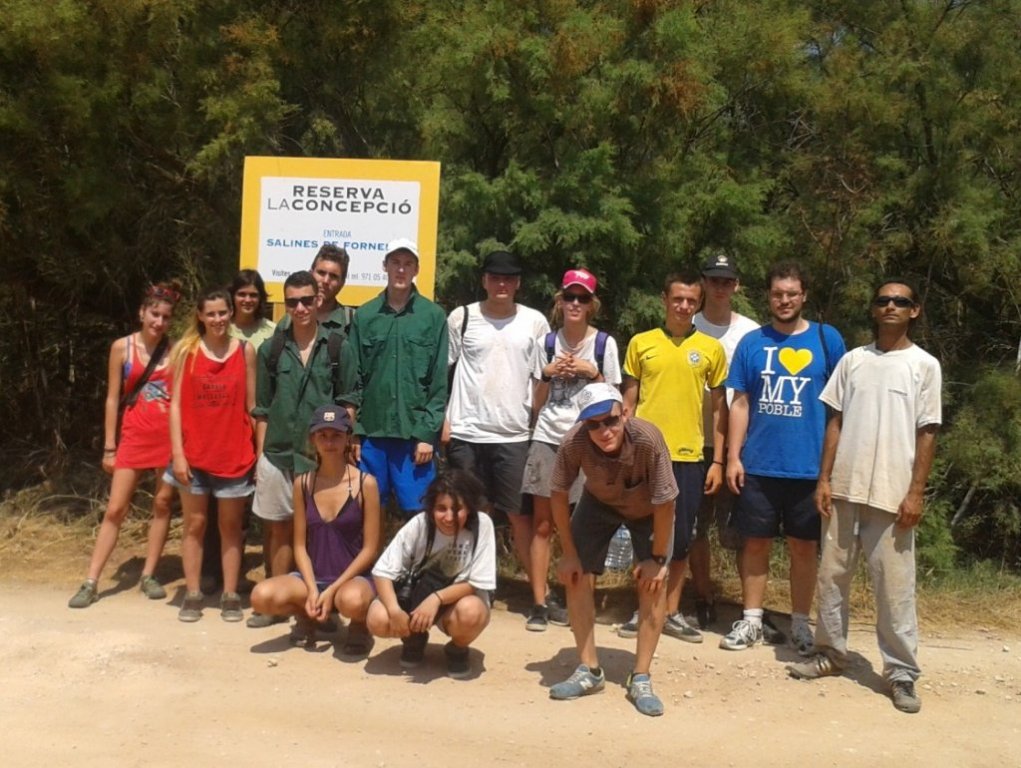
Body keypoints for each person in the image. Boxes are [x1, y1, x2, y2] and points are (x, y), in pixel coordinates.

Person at [787, 279, 941, 716]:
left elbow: (928, 430)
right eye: (883, 300)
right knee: (831, 576)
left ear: (915, 310)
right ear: (873, 309)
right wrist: (823, 480)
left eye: (901, 301)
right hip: (844, 486)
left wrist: (915, 492)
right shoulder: (853, 361)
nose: (891, 306)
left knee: (894, 585)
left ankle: (901, 673)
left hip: (894, 494)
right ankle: (831, 653)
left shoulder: (924, 365)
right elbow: (834, 421)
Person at [721, 262, 846, 653]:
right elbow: (739, 403)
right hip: (758, 464)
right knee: (754, 544)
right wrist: (732, 458)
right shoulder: (752, 343)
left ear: (804, 295)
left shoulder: (828, 340)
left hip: (809, 468)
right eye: (778, 293)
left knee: (803, 549)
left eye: (792, 293)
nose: (785, 300)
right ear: (768, 296)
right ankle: (752, 620)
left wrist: (832, 468)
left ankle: (799, 624)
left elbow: (841, 409)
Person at [548, 383, 677, 717]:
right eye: (594, 424)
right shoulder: (573, 442)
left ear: (625, 413)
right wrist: (569, 552)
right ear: (583, 425)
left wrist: (658, 559)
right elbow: (559, 494)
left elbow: (665, 503)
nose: (604, 431)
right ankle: (589, 670)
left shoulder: (648, 439)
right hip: (598, 501)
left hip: (649, 507)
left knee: (653, 582)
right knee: (575, 574)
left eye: (611, 421)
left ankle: (641, 676)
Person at [617, 272, 727, 643]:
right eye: (677, 299)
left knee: (681, 539)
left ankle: (672, 612)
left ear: (698, 304)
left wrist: (719, 461)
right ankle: (644, 610)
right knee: (643, 536)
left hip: (689, 455)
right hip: (644, 453)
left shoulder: (711, 349)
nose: (683, 306)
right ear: (664, 299)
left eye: (690, 301)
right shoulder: (640, 343)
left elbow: (718, 411)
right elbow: (628, 403)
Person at [443, 250, 551, 628]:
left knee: (520, 517)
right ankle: (472, 587)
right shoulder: (462, 317)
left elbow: (543, 379)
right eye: (494, 277)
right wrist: (445, 420)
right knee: (470, 514)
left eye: (509, 278)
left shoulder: (535, 322)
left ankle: (540, 598)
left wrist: (536, 421)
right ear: (484, 280)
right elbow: (447, 370)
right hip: (467, 430)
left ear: (518, 283)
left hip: (514, 433)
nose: (501, 284)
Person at [247, 270, 360, 629]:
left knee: (318, 532)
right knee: (278, 530)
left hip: (318, 458)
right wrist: (260, 455)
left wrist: (341, 451)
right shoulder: (272, 347)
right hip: (278, 452)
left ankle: (322, 607)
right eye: (292, 301)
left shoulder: (339, 345)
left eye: (306, 300)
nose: (300, 308)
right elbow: (262, 407)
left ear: (318, 300)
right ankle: (279, 606)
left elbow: (349, 401)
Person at [69, 283, 182, 608]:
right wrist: (109, 445)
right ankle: (91, 581)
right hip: (133, 434)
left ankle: (149, 574)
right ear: (142, 313)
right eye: (154, 314)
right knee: (116, 508)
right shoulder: (123, 347)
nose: (159, 322)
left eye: (166, 317)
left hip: (165, 437)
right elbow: (112, 397)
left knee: (162, 505)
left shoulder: (176, 350)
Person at [521, 268, 622, 631]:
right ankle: (538, 603)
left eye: (582, 298)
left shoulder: (603, 345)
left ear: (592, 304)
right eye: (569, 297)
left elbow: (614, 401)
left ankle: (576, 597)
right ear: (559, 301)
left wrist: (590, 372)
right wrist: (548, 374)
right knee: (544, 524)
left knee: (583, 526)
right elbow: (535, 403)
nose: (574, 304)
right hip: (548, 438)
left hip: (588, 441)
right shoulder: (546, 343)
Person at [250, 404, 380, 655]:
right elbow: (299, 544)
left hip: (353, 579)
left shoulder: (367, 484)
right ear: (313, 439)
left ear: (347, 439)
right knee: (261, 596)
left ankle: (359, 625)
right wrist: (312, 588)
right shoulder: (304, 483)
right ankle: (307, 615)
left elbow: (371, 549)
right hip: (314, 575)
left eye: (336, 436)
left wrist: (332, 589)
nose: (329, 442)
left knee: (351, 601)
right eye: (323, 435)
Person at [166, 287, 257, 623]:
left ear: (231, 313)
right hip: (193, 454)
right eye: (212, 313)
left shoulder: (245, 351)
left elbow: (252, 406)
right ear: (200, 317)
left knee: (231, 526)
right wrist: (177, 453)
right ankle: (192, 593)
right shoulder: (185, 351)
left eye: (223, 312)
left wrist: (258, 453)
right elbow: (174, 405)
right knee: (195, 524)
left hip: (234, 454)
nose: (218, 319)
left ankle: (230, 594)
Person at [350, 239, 448, 518]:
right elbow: (353, 378)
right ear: (385, 266)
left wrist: (427, 434)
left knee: (419, 513)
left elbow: (438, 381)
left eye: (407, 264)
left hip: (414, 435)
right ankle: (372, 564)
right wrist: (355, 431)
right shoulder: (365, 315)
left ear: (416, 269)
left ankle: (418, 563)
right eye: (395, 263)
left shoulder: (433, 316)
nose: (401, 270)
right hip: (371, 434)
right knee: (368, 511)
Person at [367, 469, 496, 679]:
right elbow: (382, 571)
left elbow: (477, 582)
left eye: (457, 509)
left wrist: (436, 599)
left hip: (457, 600)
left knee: (471, 612)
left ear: (470, 508)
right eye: (441, 509)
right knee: (378, 619)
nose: (448, 517)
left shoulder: (481, 525)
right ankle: (413, 639)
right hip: (417, 595)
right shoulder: (420, 524)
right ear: (431, 508)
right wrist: (394, 610)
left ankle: (457, 648)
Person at [689, 253, 760, 630]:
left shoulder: (751, 332)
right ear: (702, 283)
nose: (720, 287)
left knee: (740, 530)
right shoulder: (687, 324)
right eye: (713, 280)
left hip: (739, 445)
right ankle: (703, 597)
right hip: (694, 442)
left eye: (727, 281)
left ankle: (750, 611)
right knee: (696, 527)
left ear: (737, 285)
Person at [200, 269, 277, 594]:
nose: (248, 300)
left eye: (254, 295)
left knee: (238, 509)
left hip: (253, 424)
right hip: (215, 428)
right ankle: (209, 571)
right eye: (242, 294)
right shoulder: (218, 328)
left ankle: (234, 573)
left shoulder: (272, 332)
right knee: (210, 507)